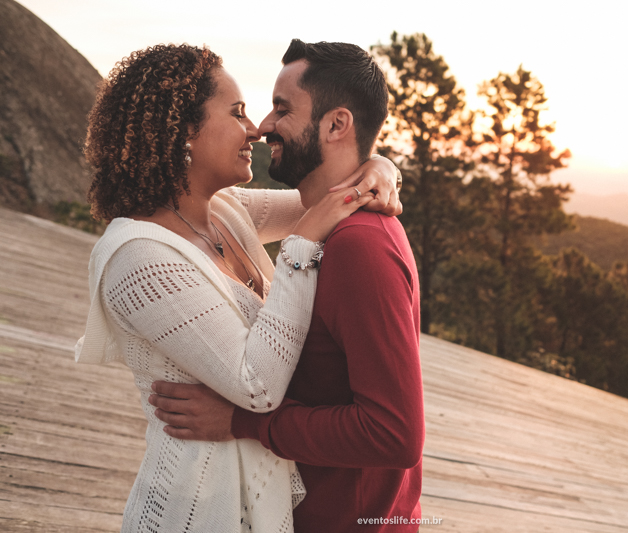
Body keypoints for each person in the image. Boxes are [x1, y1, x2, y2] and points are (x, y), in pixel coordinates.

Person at [75, 43, 401, 532]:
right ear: (183, 132)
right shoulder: (137, 256)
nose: (255, 128)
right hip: (198, 506)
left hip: (262, 497)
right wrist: (301, 246)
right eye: (238, 113)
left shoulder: (224, 211)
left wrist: (383, 166)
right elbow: (258, 386)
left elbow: (330, 193)